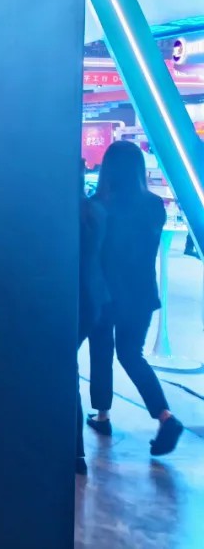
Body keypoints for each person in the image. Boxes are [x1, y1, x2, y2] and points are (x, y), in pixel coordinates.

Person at [86, 140, 183, 456]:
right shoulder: (154, 206)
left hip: (106, 295)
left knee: (102, 352)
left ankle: (103, 416)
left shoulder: (99, 206)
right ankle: (165, 416)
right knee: (131, 354)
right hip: (141, 295)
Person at [77, 161, 108, 475]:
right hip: (95, 297)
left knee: (64, 371)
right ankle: (76, 450)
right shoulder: (96, 211)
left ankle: (75, 450)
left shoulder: (65, 213)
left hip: (72, 298)